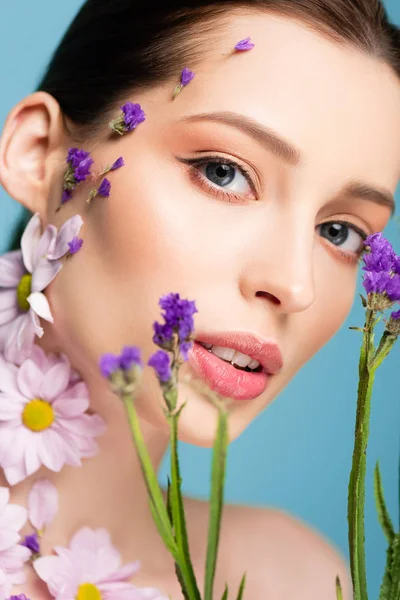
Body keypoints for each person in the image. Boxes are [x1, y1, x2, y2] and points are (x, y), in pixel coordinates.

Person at [0, 0, 399, 597]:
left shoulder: (301, 580)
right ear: (40, 155)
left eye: (338, 231)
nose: (295, 285)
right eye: (223, 171)